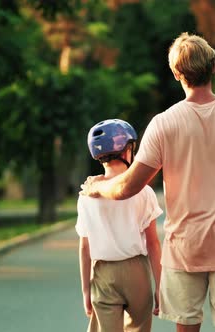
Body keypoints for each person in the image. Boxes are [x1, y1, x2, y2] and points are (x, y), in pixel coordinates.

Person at [80, 32, 215, 332]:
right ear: (213, 68)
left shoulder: (164, 123)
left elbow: (127, 187)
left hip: (185, 249)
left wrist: (97, 187)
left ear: (176, 74)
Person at [76, 119, 163, 332]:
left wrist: (86, 290)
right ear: (126, 151)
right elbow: (152, 243)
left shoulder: (87, 195)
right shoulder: (143, 191)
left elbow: (85, 248)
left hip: (103, 273)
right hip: (137, 273)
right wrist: (160, 286)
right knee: (139, 328)